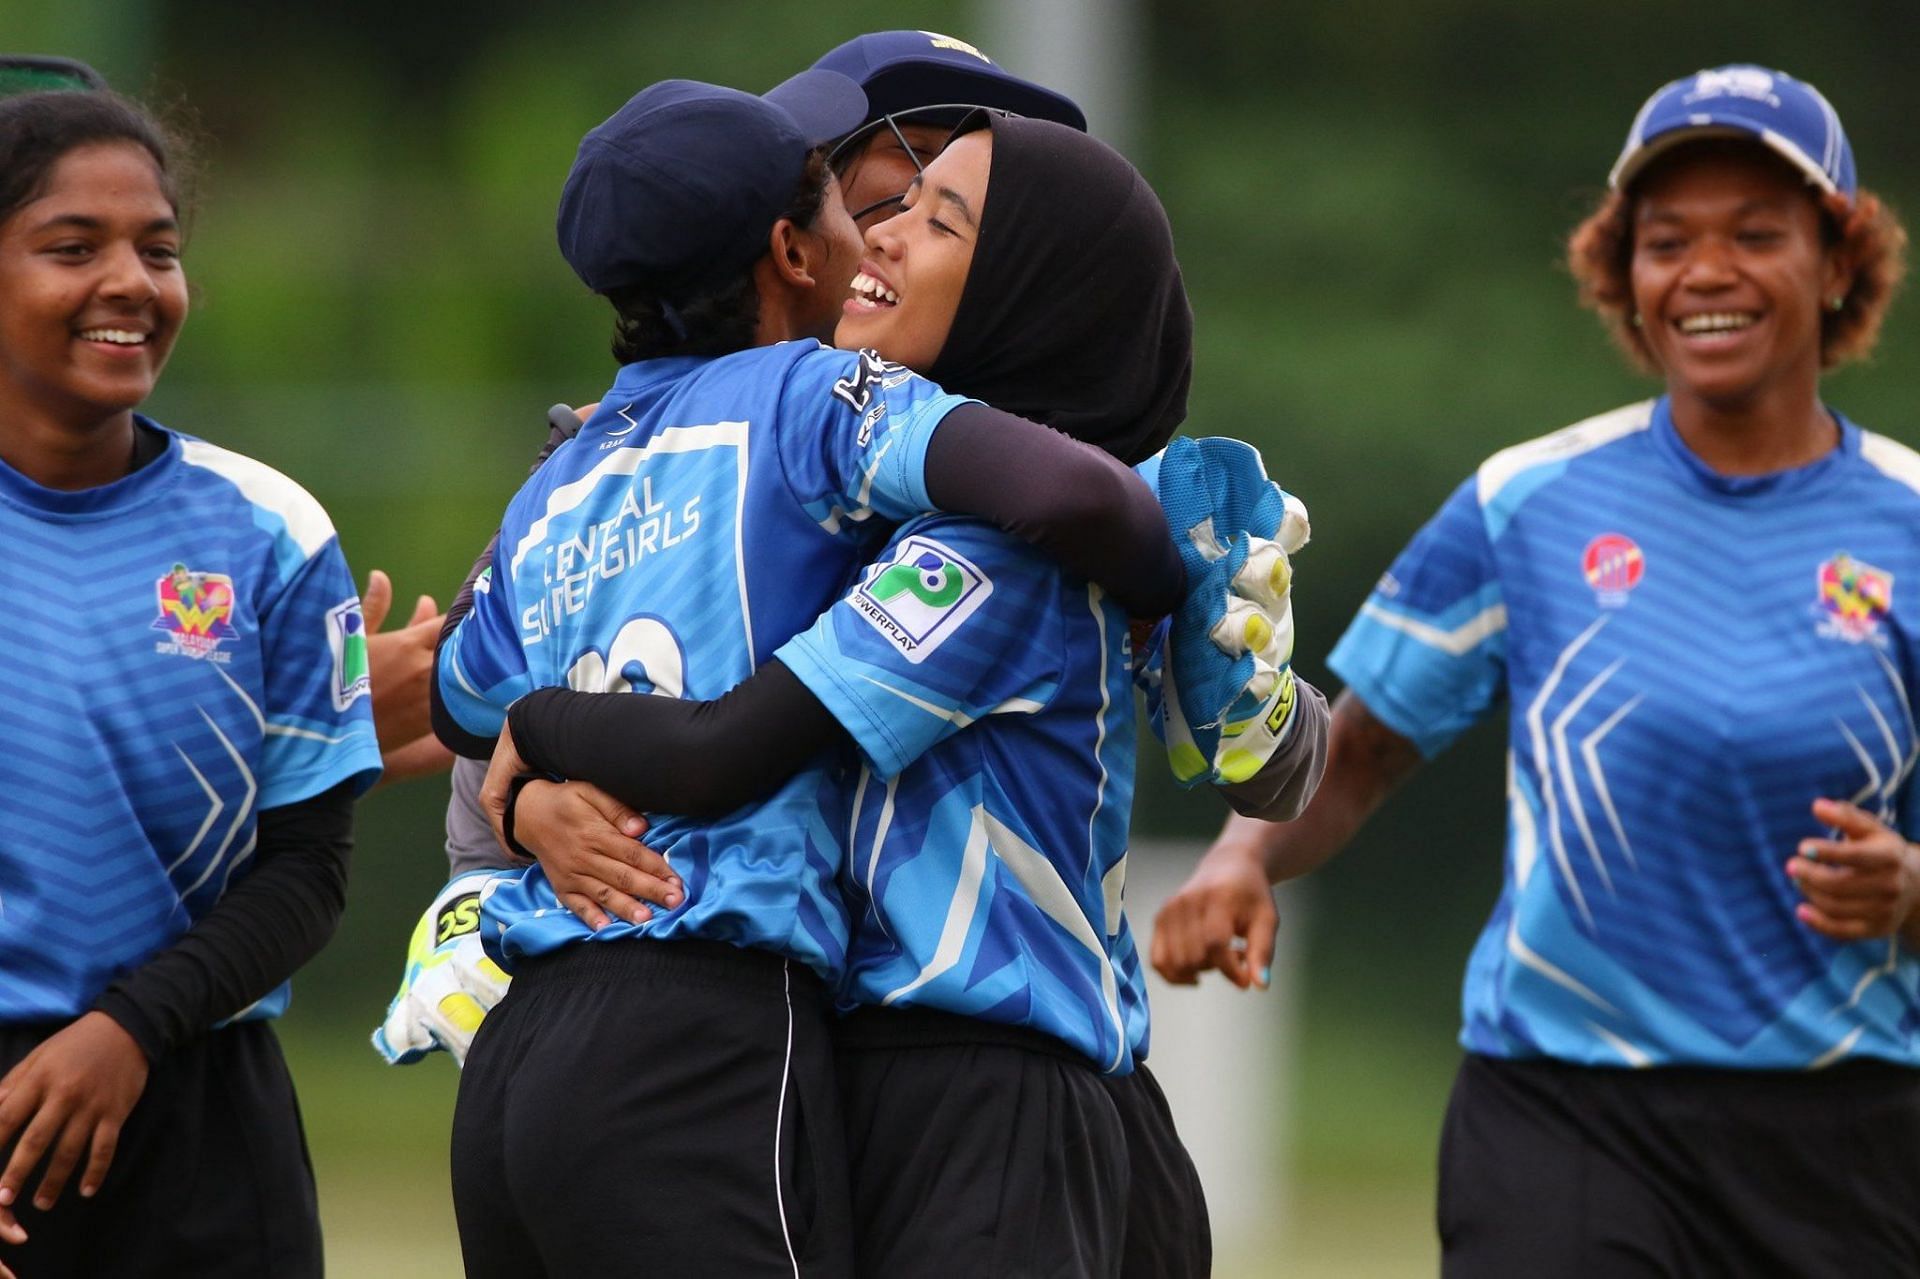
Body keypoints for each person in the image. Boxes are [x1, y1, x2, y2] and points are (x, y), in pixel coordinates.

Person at [484, 111, 1318, 1277]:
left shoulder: (990, 551)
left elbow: (730, 745)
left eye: (941, 220)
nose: (880, 236)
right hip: (909, 1080)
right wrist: (525, 802)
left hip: (987, 1100)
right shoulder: (852, 498)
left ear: (1034, 294)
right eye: (882, 202)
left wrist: (542, 729)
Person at [1153, 63, 1919, 1274]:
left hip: (1843, 1138)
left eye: (1755, 235)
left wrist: (1913, 890)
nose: (1707, 271)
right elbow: (1359, 752)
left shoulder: (1908, 522)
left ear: (1838, 263)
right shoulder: (1528, 502)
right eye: (1667, 242)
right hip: (1564, 1108)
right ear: (1624, 274)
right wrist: (1245, 856)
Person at [0, 88, 382, 1279]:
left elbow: (309, 869)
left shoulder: (269, 529)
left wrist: (132, 1024)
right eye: (74, 247)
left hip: (206, 1129)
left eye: (157, 250)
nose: (131, 282)